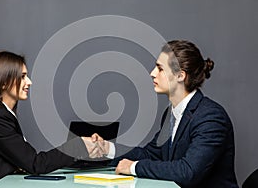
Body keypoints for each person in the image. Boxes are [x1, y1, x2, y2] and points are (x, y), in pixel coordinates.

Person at [91, 40, 239, 188]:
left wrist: (133, 168)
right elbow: (151, 154)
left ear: (180, 76)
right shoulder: (171, 114)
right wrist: (106, 149)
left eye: (160, 69)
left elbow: (187, 172)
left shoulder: (210, 117)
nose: (152, 73)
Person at [0, 51, 98, 187]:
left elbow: (23, 163)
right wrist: (78, 146)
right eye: (22, 77)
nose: (29, 82)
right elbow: (35, 164)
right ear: (3, 82)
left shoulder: (2, 114)